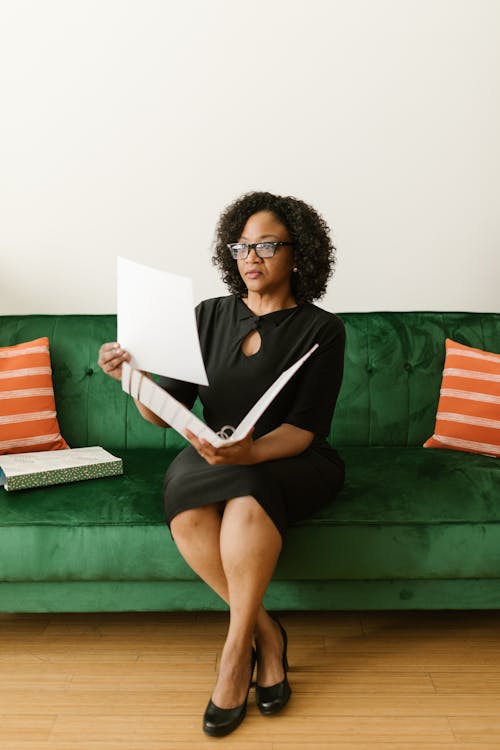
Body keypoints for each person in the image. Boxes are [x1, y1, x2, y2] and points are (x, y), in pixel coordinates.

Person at [98, 191, 345, 737]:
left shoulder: (323, 330)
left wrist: (252, 451)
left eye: (265, 245)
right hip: (214, 449)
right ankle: (267, 633)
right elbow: (167, 415)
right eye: (240, 246)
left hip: (288, 455)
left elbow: (305, 429)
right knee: (187, 510)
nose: (250, 256)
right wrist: (133, 380)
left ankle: (235, 655)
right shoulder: (207, 316)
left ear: (298, 254)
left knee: (246, 502)